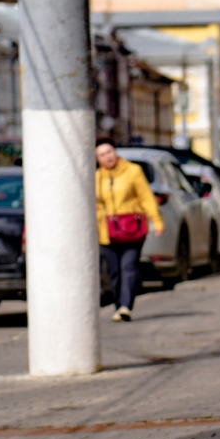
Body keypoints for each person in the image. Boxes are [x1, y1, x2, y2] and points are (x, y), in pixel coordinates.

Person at [95, 137, 163, 322]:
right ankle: (118, 305)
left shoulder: (133, 171)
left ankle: (126, 305)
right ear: (97, 158)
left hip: (131, 229)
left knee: (129, 267)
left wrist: (156, 221)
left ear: (115, 152)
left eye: (109, 152)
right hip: (106, 231)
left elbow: (146, 197)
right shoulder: (96, 177)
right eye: (102, 154)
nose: (107, 157)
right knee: (113, 271)